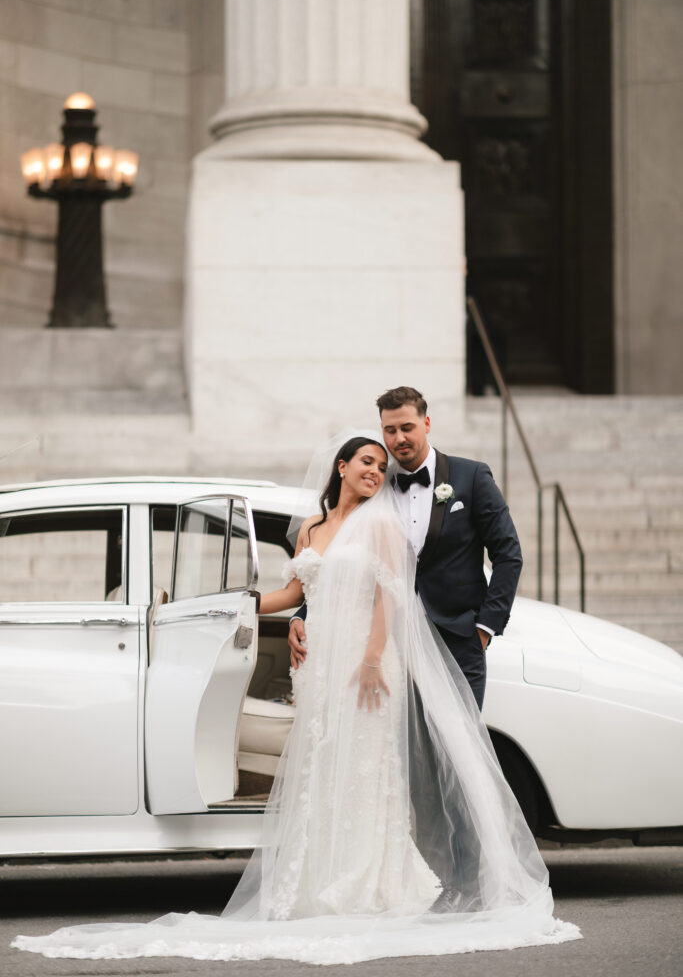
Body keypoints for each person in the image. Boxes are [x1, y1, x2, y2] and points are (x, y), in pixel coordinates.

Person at [12, 435, 579, 965]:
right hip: (325, 662)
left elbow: (390, 596)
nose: (376, 472)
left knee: (368, 765)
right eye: (367, 463)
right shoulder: (310, 528)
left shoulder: (381, 525)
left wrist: (375, 657)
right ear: (342, 467)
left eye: (382, 467)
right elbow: (294, 592)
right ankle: (319, 876)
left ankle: (375, 879)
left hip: (367, 659)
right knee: (323, 763)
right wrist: (232, 604)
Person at [290, 386, 522, 711]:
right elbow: (338, 553)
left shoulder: (471, 477)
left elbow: (508, 554)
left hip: (456, 640)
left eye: (407, 428)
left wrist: (483, 629)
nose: (399, 438)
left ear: (426, 423)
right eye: (390, 430)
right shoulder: (376, 483)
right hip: (389, 646)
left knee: (456, 754)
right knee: (403, 758)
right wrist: (302, 615)